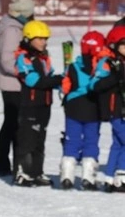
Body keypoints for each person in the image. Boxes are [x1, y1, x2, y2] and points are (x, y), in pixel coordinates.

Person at [12, 20, 63, 187]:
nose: (43, 42)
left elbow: (50, 78)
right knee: (27, 138)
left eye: (45, 39)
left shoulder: (43, 58)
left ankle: (36, 171)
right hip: (30, 105)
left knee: (40, 139)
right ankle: (22, 172)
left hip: (45, 104)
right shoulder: (23, 58)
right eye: (39, 39)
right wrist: (55, 80)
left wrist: (65, 80)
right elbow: (33, 81)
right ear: (28, 39)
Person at [0, 0, 35, 177]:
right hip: (12, 84)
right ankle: (4, 163)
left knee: (17, 124)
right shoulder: (12, 30)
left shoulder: (18, 27)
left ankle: (17, 161)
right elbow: (7, 59)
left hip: (19, 83)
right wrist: (25, 73)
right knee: (12, 124)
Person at [58, 31, 104, 190]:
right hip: (93, 107)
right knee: (91, 141)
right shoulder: (102, 65)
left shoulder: (73, 66)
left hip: (73, 107)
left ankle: (67, 176)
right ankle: (88, 177)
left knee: (72, 140)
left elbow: (65, 87)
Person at [89, 25, 125, 193]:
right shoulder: (107, 63)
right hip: (115, 109)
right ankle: (122, 175)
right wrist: (115, 76)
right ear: (114, 45)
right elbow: (95, 84)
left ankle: (109, 177)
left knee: (118, 144)